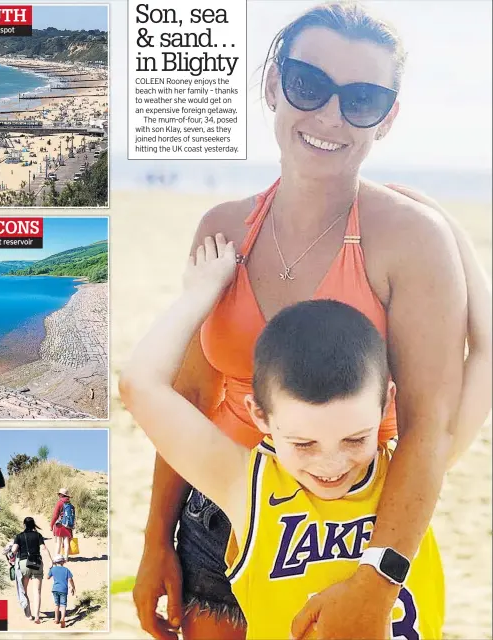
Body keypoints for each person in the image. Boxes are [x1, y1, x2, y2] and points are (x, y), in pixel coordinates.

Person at [124, 4, 491, 636]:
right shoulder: (222, 229)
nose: (329, 116)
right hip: (219, 513)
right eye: (308, 86)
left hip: (356, 529)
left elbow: (431, 428)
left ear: (389, 116)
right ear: (272, 84)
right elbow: (190, 395)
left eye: (363, 98)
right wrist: (157, 538)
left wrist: (379, 577)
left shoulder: (411, 240)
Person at [120, 234, 490, 639]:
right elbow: (140, 386)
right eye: (303, 444)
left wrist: (445, 233)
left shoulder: (410, 477)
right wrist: (202, 293)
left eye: (354, 440)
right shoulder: (247, 487)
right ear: (259, 416)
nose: (330, 465)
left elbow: (486, 352)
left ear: (387, 405)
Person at [10, 517, 54, 625]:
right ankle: (37, 617)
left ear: (24, 525)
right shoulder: (38, 535)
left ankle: (29, 614)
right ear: (34, 524)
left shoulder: (19, 536)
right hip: (36, 563)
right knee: (37, 592)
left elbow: (14, 550)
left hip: (24, 563)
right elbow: (43, 548)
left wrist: (11, 553)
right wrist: (51, 561)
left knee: (24, 590)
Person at [48, 554, 76, 628]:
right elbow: (70, 579)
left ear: (55, 562)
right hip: (63, 589)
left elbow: (47, 577)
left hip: (55, 589)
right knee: (63, 605)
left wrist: (50, 568)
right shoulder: (66, 570)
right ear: (63, 562)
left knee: (57, 604)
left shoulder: (53, 569)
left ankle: (56, 619)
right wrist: (73, 588)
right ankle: (62, 618)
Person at [51, 488, 75, 562]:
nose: (58, 496)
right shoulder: (70, 504)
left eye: (59, 494)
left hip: (59, 525)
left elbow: (55, 515)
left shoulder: (59, 503)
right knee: (66, 542)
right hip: (67, 525)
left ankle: (57, 557)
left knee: (59, 542)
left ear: (61, 495)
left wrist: (51, 524)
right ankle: (66, 558)